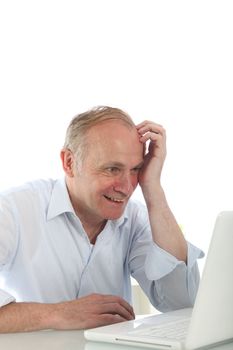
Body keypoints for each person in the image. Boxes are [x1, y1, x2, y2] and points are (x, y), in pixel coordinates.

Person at [0, 106, 203, 333]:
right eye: (112, 169)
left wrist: (153, 188)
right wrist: (58, 313)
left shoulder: (135, 217)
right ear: (69, 162)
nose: (127, 187)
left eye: (135, 169)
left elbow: (183, 303)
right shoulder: (14, 208)